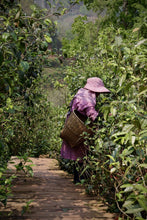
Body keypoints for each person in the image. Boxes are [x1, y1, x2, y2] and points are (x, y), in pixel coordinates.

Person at [61, 77, 110, 183]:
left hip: (74, 125)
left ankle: (77, 179)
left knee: (76, 154)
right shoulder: (87, 99)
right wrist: (105, 119)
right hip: (80, 128)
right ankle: (80, 180)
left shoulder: (81, 93)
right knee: (81, 155)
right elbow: (92, 115)